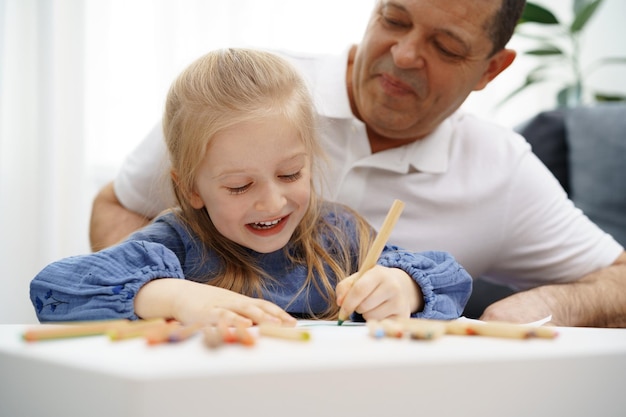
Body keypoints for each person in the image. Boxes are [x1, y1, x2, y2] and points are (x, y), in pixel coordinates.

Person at [89, 0, 626, 327]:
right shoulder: (243, 99)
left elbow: (614, 278)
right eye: (395, 18)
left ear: (492, 69)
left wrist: (537, 308)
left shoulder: (502, 168)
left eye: (445, 45)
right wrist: (159, 292)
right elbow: (118, 205)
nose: (405, 54)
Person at [30, 49, 472, 325]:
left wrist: (402, 288)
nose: (273, 201)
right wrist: (172, 294)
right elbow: (53, 289)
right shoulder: (174, 247)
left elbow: (453, 283)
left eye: (290, 175)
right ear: (191, 191)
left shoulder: (341, 237)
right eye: (240, 186)